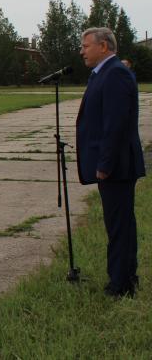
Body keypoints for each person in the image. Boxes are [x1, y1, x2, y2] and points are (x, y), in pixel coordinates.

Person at [77, 27, 145, 298]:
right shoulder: (102, 73)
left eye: (86, 45)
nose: (82, 50)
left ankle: (121, 285)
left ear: (103, 46)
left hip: (116, 166)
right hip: (114, 164)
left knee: (119, 226)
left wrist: (104, 164)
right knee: (118, 225)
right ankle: (125, 277)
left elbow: (115, 125)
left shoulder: (115, 73)